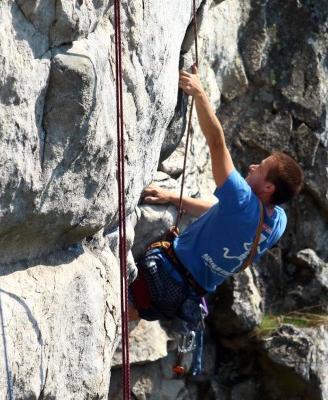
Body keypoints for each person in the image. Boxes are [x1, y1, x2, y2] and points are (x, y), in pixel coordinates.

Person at [128, 66, 304, 323]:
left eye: (261, 168)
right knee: (124, 318)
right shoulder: (278, 222)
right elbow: (219, 215)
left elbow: (216, 142)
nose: (253, 166)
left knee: (112, 307)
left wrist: (199, 93)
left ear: (269, 188)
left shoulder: (242, 200)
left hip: (163, 275)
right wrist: (174, 198)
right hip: (184, 296)